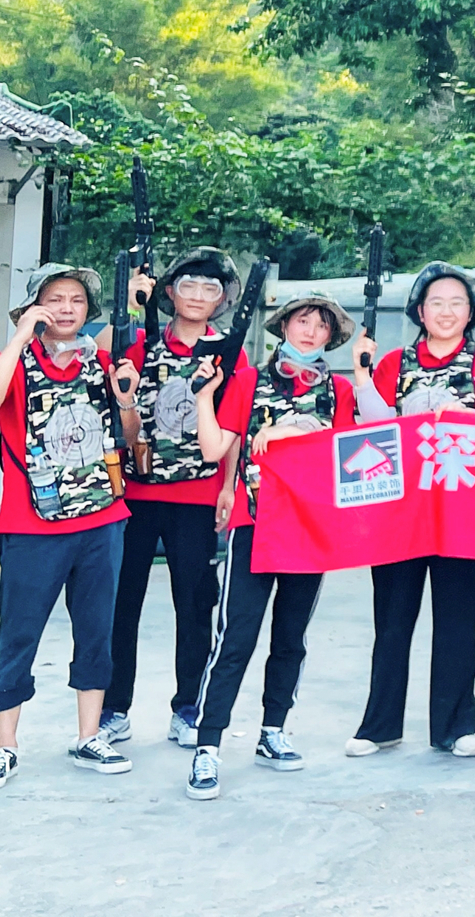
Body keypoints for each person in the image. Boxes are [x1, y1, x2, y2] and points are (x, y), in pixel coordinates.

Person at [183, 293, 365, 799]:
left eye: (321, 326)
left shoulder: (338, 390)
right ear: (284, 326)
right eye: (302, 321)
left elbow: (348, 454)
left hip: (310, 529)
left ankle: (273, 729)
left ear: (330, 336)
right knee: (235, 638)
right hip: (255, 524)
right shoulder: (249, 380)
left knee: (291, 637)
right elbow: (215, 447)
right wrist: (204, 397)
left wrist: (293, 428)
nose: (310, 332)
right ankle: (208, 745)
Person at [0, 266, 136, 790]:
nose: (66, 308)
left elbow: (128, 435)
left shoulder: (101, 362)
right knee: (19, 633)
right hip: (31, 526)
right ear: (34, 307)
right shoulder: (14, 362)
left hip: (101, 521)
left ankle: (89, 736)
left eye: (77, 300)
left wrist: (126, 398)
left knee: (97, 631)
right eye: (55, 299)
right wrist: (20, 337)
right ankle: (5, 745)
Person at [351, 262, 475, 759]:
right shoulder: (394, 362)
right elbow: (373, 428)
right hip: (400, 513)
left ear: (471, 313)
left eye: (457, 303)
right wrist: (362, 378)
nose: (446, 311)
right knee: (392, 622)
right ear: (420, 312)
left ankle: (456, 726)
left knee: (458, 622)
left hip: (463, 514)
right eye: (436, 303)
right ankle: (379, 726)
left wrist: (472, 416)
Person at [107, 247, 250, 749]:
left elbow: (235, 425)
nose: (198, 295)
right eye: (188, 285)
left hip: (197, 495)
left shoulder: (229, 352)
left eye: (210, 288)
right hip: (135, 494)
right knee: (122, 602)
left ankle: (189, 706)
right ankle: (113, 707)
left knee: (194, 603)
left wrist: (228, 486)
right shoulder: (139, 340)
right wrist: (128, 305)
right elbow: (103, 362)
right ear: (169, 292)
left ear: (222, 299)